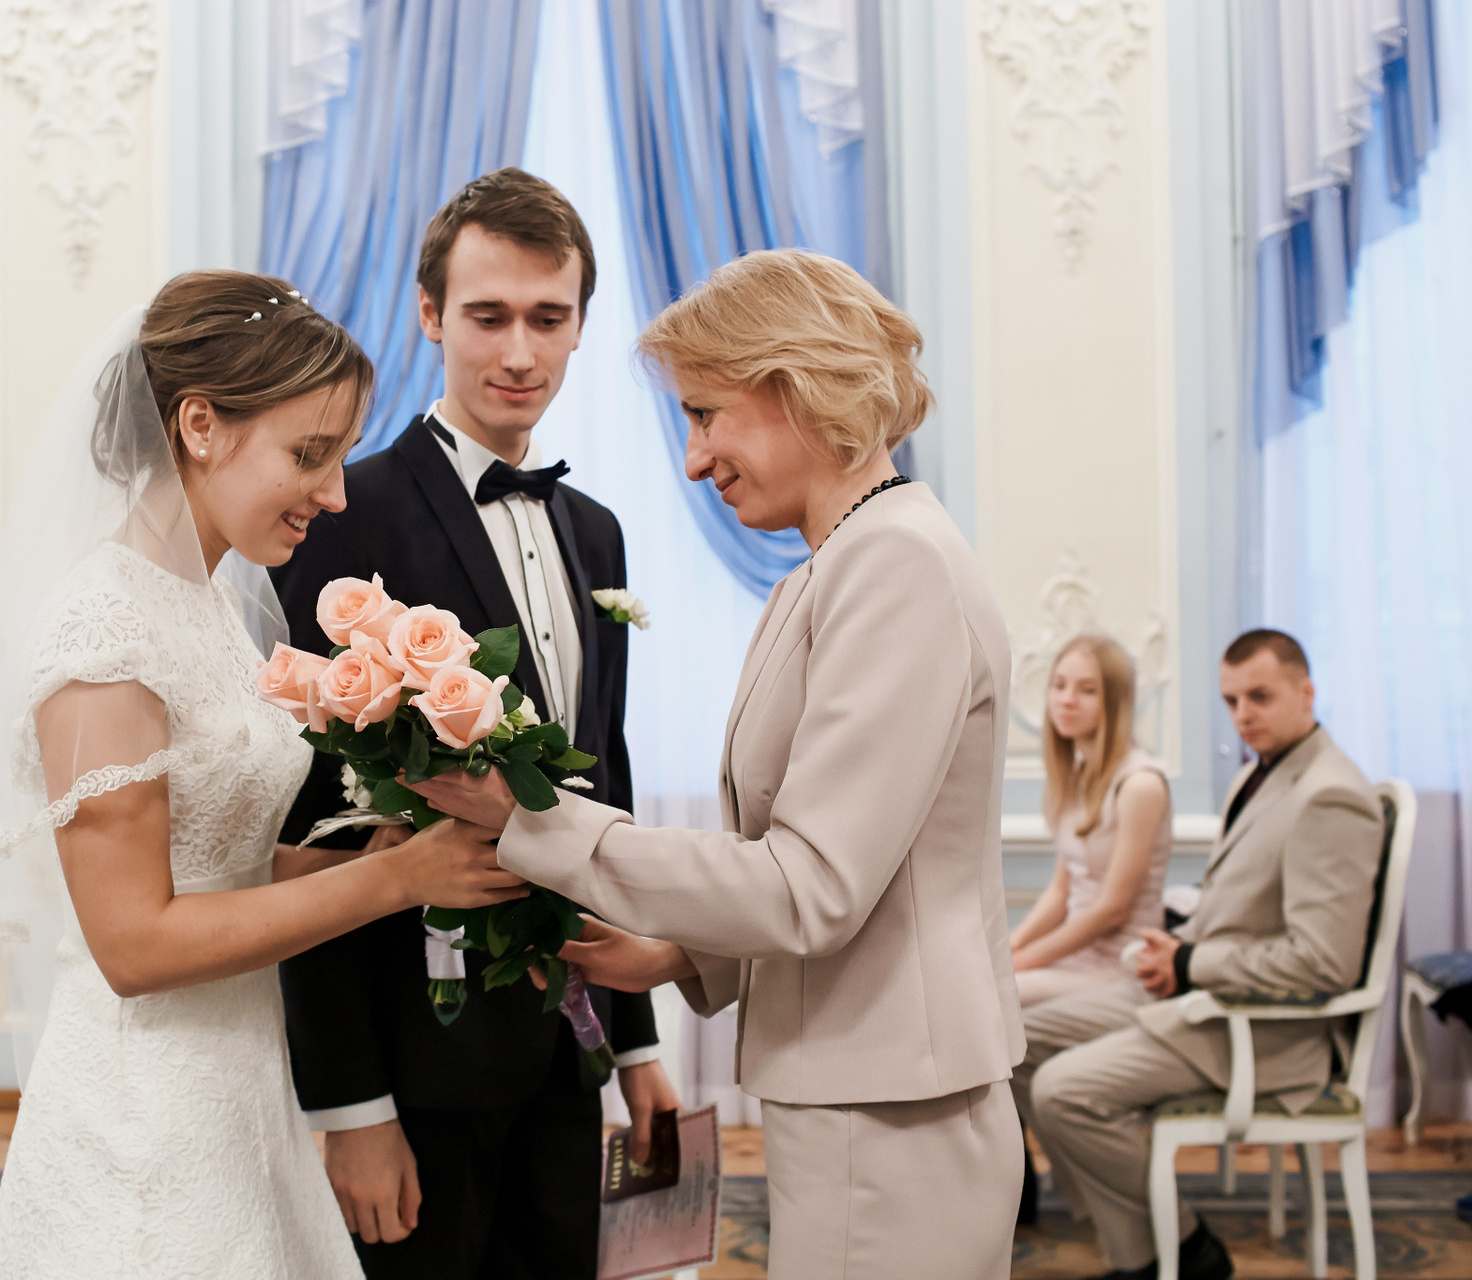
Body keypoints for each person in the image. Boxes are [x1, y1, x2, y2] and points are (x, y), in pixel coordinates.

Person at [411, 248, 1026, 1280]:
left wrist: (528, 819)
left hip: (891, 1106)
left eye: (705, 414)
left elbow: (811, 885)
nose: (694, 460)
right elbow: (849, 869)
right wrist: (684, 956)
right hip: (863, 1085)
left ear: (798, 386)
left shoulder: (894, 564)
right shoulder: (834, 566)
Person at [0, 271, 526, 1279]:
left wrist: (367, 856)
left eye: (340, 456)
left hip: (242, 1082)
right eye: (310, 454)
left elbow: (214, 862)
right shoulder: (104, 633)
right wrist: (394, 880)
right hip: (143, 1117)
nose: (336, 493)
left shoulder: (206, 601)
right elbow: (134, 941)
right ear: (200, 424)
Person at [271, 167, 677, 1279]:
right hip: (416, 1055)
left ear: (582, 323)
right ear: (430, 314)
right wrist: (352, 1103)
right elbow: (308, 820)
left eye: (549, 317)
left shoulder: (597, 532)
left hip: (568, 1045)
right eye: (489, 315)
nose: (520, 352)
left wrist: (637, 1040)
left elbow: (605, 785)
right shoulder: (343, 517)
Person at [1013, 629, 1385, 1280]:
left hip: (1258, 1030)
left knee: (1063, 1091)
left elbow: (1324, 964)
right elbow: (1244, 911)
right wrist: (1181, 950)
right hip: (1200, 995)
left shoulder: (1330, 794)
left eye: (1260, 697)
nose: (1243, 714)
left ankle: (1180, 1249)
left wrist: (1190, 964)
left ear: (1306, 691)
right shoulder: (1261, 774)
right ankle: (1126, 1229)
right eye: (1231, 701)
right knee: (1012, 1045)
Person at [1009, 635, 1172, 1007]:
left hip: (1119, 966)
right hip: (1071, 957)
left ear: (1114, 702)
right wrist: (1010, 947)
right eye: (1059, 685)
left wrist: (1024, 962)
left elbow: (1112, 911)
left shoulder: (1140, 785)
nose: (1067, 700)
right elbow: (1059, 894)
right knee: (979, 986)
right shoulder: (1078, 776)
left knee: (991, 999)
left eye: (1087, 690)